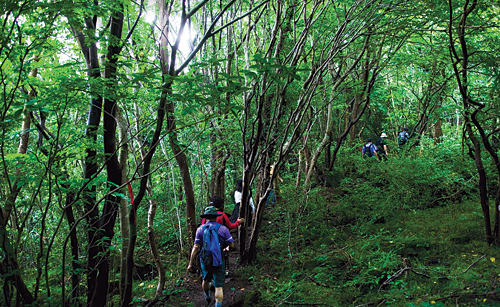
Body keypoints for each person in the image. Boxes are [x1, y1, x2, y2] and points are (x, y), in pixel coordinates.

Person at [187, 206, 235, 307]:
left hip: (205, 259)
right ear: (216, 217)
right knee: (218, 286)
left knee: (205, 279)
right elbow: (231, 245)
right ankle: (218, 305)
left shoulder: (200, 229)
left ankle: (207, 296)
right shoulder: (223, 229)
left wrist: (190, 263)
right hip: (218, 259)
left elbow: (196, 247)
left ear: (206, 217)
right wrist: (224, 246)